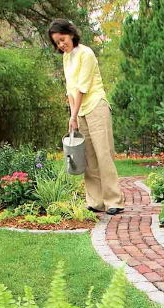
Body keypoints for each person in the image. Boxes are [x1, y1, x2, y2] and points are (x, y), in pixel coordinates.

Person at [48, 19, 124, 215]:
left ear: (71, 34)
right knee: (88, 157)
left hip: (95, 106)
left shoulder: (86, 54)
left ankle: (114, 200)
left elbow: (82, 87)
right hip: (79, 110)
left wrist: (74, 116)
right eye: (57, 42)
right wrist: (73, 115)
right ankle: (95, 201)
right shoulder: (66, 58)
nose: (61, 44)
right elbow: (70, 90)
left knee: (103, 154)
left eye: (63, 39)